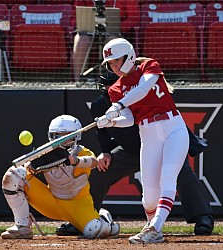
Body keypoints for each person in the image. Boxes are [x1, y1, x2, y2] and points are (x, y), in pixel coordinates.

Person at [56, 73, 214, 237]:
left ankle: (202, 217)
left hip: (162, 146)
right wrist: (105, 152)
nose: (110, 90)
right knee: (100, 172)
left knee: (183, 173)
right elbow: (101, 132)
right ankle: (84, 219)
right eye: (107, 87)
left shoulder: (141, 96)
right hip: (130, 152)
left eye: (114, 85)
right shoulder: (100, 104)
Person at [93, 38, 190, 244]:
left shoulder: (149, 66)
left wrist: (117, 107)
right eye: (110, 63)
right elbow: (129, 119)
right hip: (148, 133)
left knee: (168, 177)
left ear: (129, 56)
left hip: (173, 127)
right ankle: (153, 229)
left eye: (116, 61)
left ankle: (156, 227)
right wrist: (110, 122)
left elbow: (142, 90)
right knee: (149, 194)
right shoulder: (115, 90)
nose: (114, 67)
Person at [1, 114, 120, 240]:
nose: (63, 140)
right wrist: (30, 165)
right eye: (58, 136)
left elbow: (93, 162)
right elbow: (26, 168)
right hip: (51, 201)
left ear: (76, 136)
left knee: (96, 231)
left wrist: (74, 160)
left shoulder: (82, 152)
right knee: (13, 175)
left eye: (68, 136)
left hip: (78, 204)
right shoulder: (46, 153)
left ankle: (105, 220)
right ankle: (22, 227)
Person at [72, 0, 140, 82]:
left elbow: (134, 18)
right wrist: (83, 25)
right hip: (88, 32)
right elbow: (73, 18)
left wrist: (117, 27)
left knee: (114, 41)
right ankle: (78, 81)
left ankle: (117, 81)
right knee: (81, 40)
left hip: (115, 32)